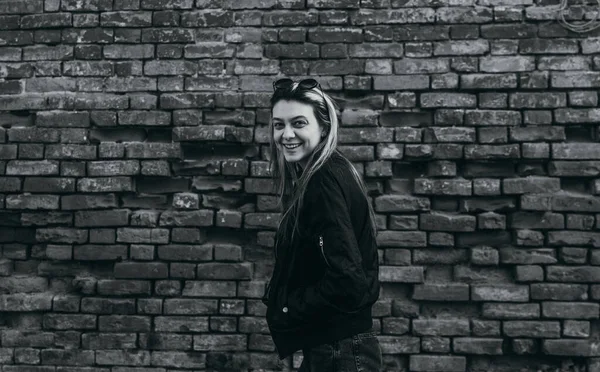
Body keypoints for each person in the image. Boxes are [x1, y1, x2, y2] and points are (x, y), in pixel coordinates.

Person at [261, 78, 382, 372]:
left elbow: (348, 281)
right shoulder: (328, 172)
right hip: (334, 347)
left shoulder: (323, 181)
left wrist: (288, 307)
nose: (286, 134)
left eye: (298, 123)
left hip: (340, 350)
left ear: (324, 127)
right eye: (279, 125)